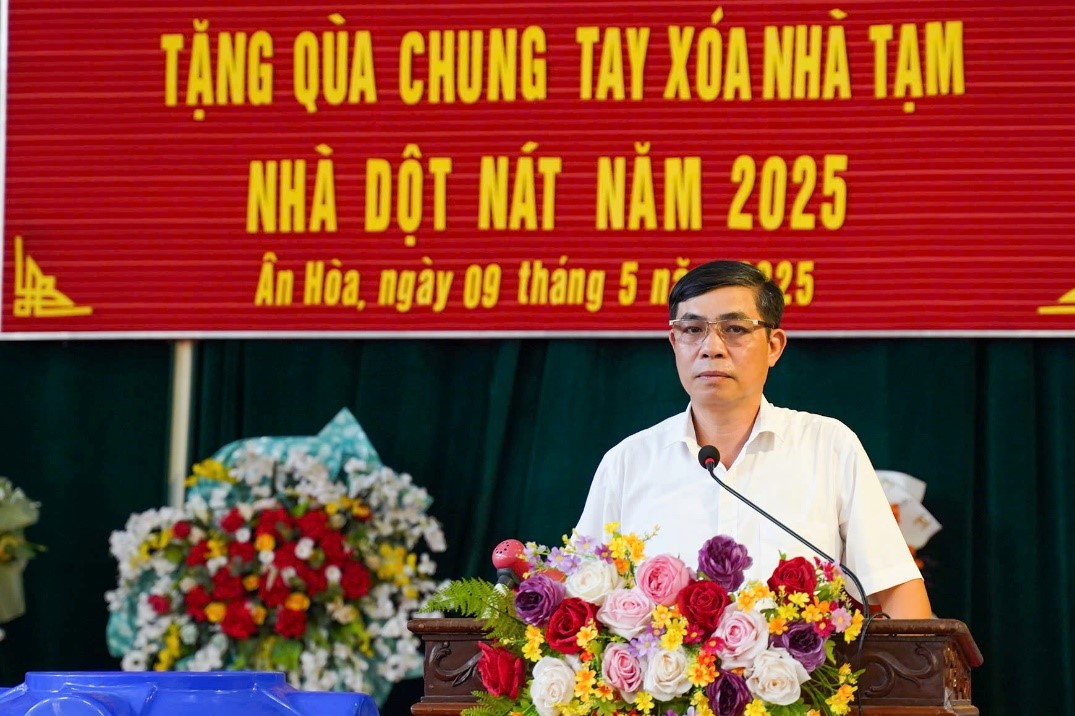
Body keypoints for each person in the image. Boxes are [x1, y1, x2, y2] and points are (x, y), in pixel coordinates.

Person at [574, 260, 932, 618]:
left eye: (734, 329)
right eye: (693, 329)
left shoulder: (828, 447)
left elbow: (896, 587)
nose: (711, 348)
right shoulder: (629, 462)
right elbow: (579, 593)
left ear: (774, 346)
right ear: (674, 342)